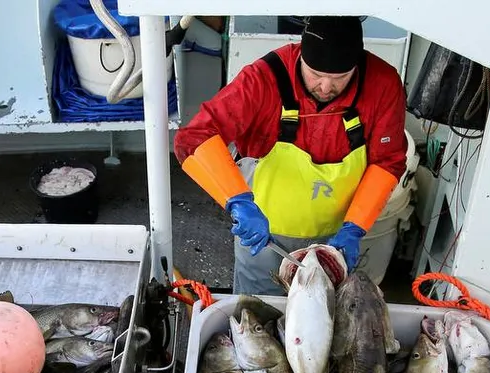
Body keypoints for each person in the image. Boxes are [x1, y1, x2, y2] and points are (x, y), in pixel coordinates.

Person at [174, 16, 408, 295]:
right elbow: (194, 137)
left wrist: (355, 228)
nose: (325, 87)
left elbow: (388, 159)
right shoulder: (263, 78)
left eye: (339, 79)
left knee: (322, 314)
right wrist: (238, 202)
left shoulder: (383, 84)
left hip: (335, 239)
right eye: (316, 75)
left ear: (356, 67)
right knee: (257, 311)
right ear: (300, 58)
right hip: (263, 234)